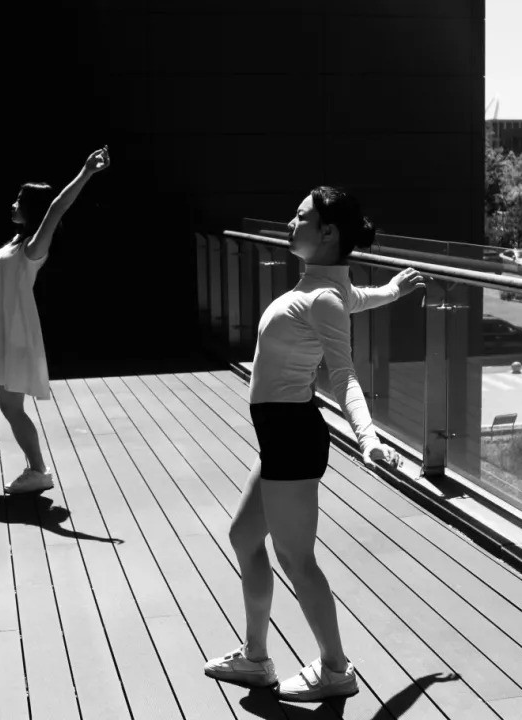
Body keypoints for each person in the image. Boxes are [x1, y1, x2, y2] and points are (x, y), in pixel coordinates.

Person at [204, 187, 424, 702]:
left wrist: (368, 439)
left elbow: (344, 374)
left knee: (297, 559)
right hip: (279, 436)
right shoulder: (328, 289)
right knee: (244, 537)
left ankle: (335, 670)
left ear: (327, 232)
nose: (290, 222)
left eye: (300, 216)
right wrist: (391, 290)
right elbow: (354, 299)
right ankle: (256, 658)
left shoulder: (323, 296)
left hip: (292, 438)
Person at [0, 146, 110, 494]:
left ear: (31, 208)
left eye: (19, 200)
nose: (13, 205)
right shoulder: (14, 244)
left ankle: (38, 471)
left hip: (14, 340)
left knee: (11, 408)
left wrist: (86, 172)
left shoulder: (33, 249)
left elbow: (57, 207)